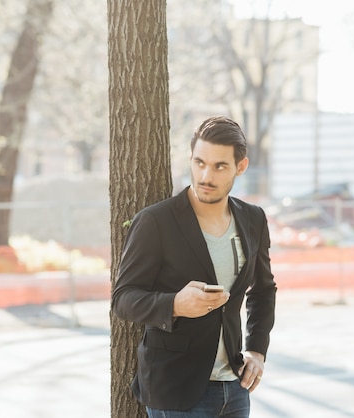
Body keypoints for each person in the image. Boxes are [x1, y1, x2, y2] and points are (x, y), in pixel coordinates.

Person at [111, 115, 277, 418]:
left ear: (241, 167)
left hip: (236, 388)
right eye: (199, 163)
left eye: (219, 166)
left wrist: (257, 350)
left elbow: (263, 290)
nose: (205, 175)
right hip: (176, 390)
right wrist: (174, 303)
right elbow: (123, 299)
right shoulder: (156, 221)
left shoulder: (254, 219)